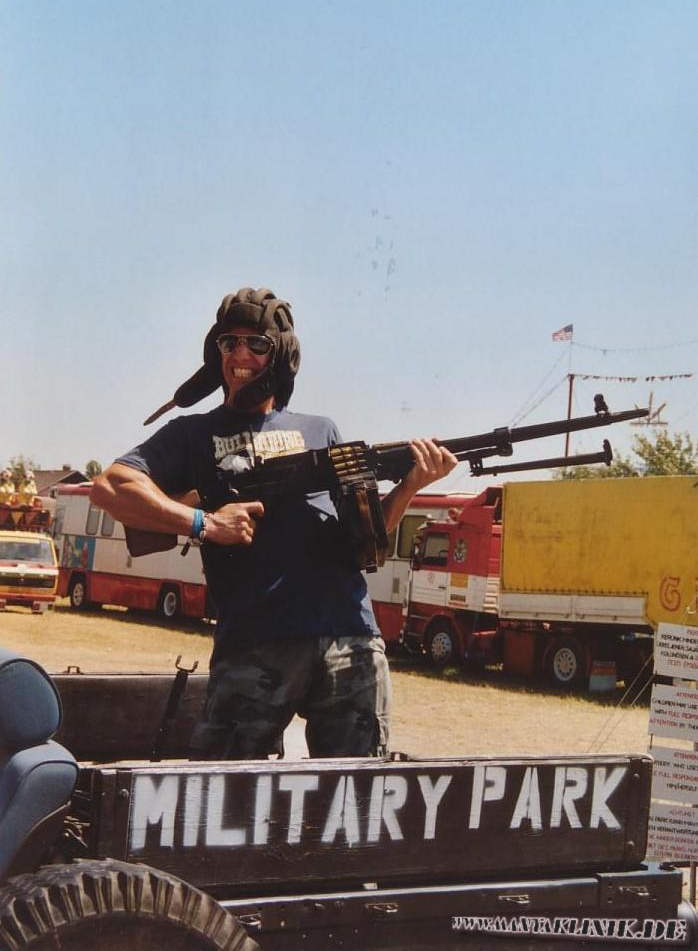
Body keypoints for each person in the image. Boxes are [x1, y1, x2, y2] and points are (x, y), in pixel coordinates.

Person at [91, 288, 457, 760]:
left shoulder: (322, 430)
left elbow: (364, 544)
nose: (240, 354)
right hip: (256, 641)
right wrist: (203, 523)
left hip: (349, 636)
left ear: (281, 354)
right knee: (224, 787)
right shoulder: (193, 433)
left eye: (257, 344)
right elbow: (110, 487)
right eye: (229, 343)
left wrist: (409, 487)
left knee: (357, 791)